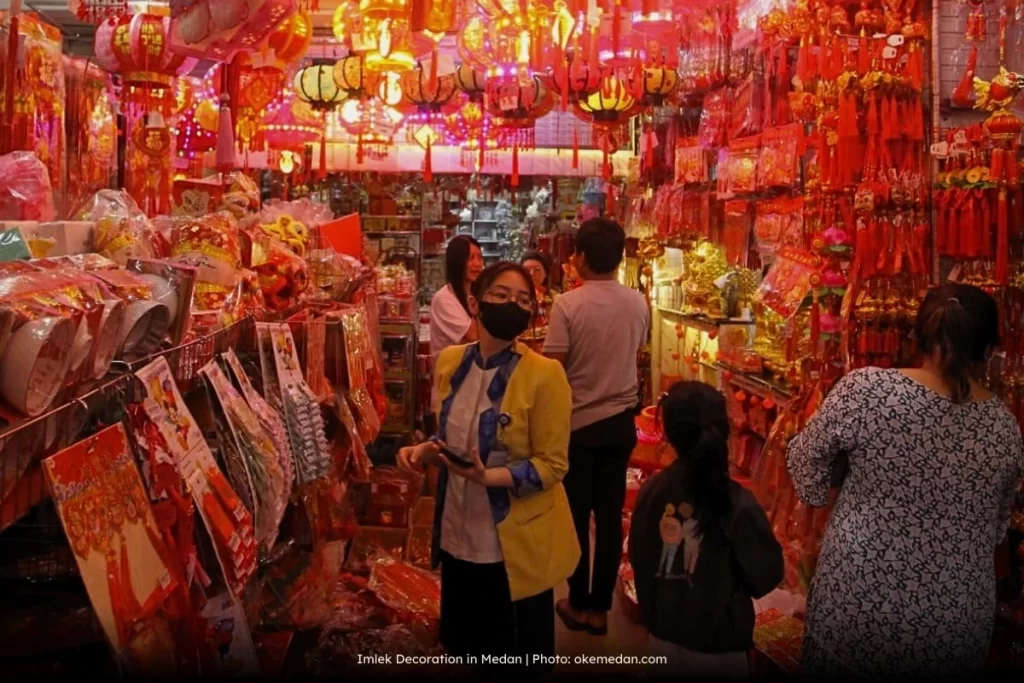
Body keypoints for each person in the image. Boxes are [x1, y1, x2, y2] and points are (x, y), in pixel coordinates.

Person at [787, 283, 1024, 677]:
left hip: (858, 601)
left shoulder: (866, 391)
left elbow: (807, 475)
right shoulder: (1004, 427)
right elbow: (996, 529)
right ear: (987, 351)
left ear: (917, 336)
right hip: (953, 620)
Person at [398, 262, 579, 669]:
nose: (512, 304)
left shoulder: (545, 375)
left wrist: (488, 477)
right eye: (501, 294)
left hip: (513, 545)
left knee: (514, 655)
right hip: (457, 532)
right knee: (466, 649)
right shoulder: (450, 362)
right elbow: (452, 437)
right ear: (475, 303)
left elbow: (553, 465)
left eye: (523, 299)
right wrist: (425, 450)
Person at [629, 382, 783, 678]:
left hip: (662, 639)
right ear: (724, 431)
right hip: (721, 649)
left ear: (669, 433)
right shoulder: (738, 503)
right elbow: (767, 575)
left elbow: (640, 556)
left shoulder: (653, 491)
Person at [544, 218, 649, 635]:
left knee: (574, 515)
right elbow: (635, 352)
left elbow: (554, 370)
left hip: (578, 426)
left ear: (582, 257)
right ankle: (600, 609)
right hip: (621, 424)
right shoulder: (638, 302)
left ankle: (578, 599)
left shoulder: (567, 305)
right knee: (609, 516)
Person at [521, 250, 556, 328]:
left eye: (537, 270)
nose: (531, 274)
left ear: (545, 273)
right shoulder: (513, 299)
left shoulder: (558, 299)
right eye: (526, 270)